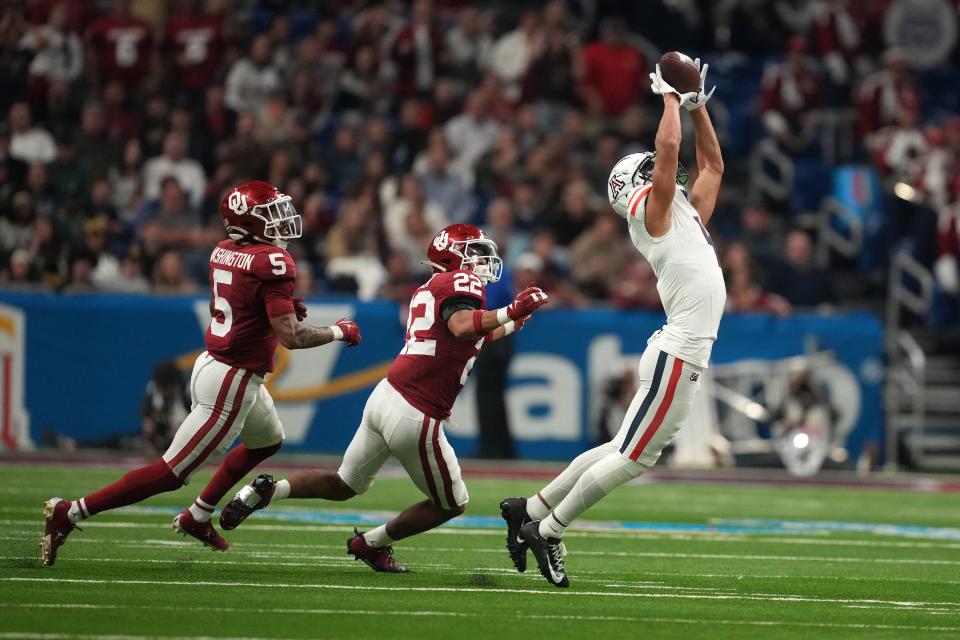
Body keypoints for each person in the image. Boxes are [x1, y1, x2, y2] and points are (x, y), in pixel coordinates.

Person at [40, 180, 361, 565]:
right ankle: (71, 511)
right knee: (170, 473)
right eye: (270, 213)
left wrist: (280, 307)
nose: (281, 221)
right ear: (248, 222)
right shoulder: (273, 262)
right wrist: (338, 331)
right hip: (233, 379)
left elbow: (250, 305)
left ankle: (198, 514)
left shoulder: (224, 250)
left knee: (267, 441)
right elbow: (290, 336)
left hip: (219, 366)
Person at [500, 57, 726, 588]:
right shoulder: (652, 214)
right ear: (635, 187)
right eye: (648, 171)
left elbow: (713, 167)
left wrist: (697, 108)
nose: (659, 169)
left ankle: (530, 509)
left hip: (676, 350)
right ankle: (551, 528)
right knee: (634, 458)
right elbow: (669, 153)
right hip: (679, 353)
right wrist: (671, 97)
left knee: (619, 449)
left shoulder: (680, 215)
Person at [218, 224, 550, 572]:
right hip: (416, 412)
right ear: (453, 256)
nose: (482, 260)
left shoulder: (431, 288)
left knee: (345, 483)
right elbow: (463, 327)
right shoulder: (458, 282)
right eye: (474, 251)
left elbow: (469, 336)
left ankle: (270, 490)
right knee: (452, 503)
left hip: (387, 396)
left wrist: (514, 321)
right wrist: (511, 311)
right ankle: (371, 544)